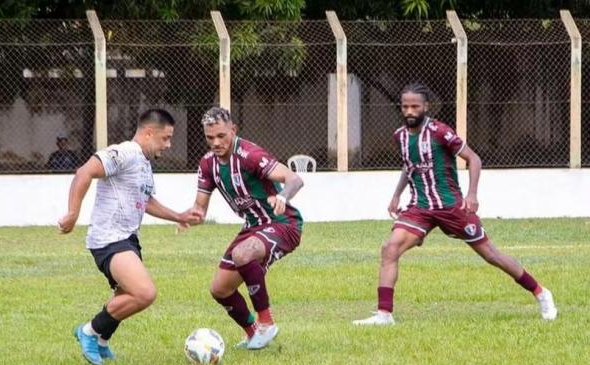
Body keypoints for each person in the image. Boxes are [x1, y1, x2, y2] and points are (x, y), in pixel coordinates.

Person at [353, 83, 557, 326]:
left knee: (491, 255)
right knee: (390, 249)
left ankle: (541, 293)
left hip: (451, 207)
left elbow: (474, 158)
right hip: (420, 207)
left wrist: (472, 194)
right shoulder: (400, 136)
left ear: (425, 107)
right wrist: (397, 195)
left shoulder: (441, 132)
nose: (409, 111)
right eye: (405, 106)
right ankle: (384, 314)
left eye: (415, 106)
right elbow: (410, 166)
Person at [58, 109, 200, 365]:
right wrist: (72, 213)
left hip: (128, 238)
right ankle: (88, 331)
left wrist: (178, 216)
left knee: (125, 296)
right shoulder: (124, 153)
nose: (168, 145)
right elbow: (84, 172)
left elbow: (146, 201)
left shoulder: (144, 163)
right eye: (165, 138)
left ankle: (101, 342)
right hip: (109, 239)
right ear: (148, 132)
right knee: (144, 293)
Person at [185, 106, 304, 350]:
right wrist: (183, 216)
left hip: (282, 223)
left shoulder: (250, 154)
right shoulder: (208, 165)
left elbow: (294, 179)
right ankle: (252, 333)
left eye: (221, 136)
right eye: (210, 138)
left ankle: (266, 323)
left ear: (233, 130)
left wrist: (283, 198)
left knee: (243, 254)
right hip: (252, 227)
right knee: (220, 289)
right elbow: (199, 207)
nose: (216, 142)